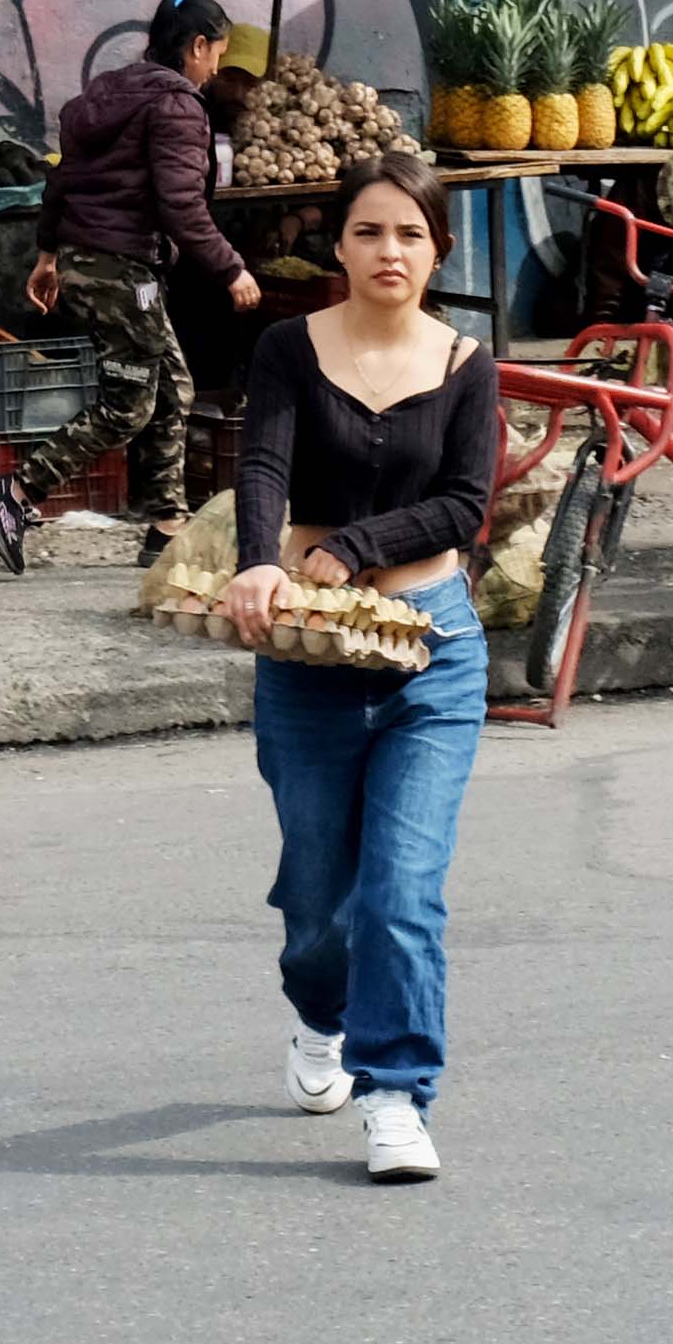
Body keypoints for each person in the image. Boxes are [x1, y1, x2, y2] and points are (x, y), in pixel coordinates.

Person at [217, 152, 505, 1187]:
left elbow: (465, 504)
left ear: (438, 251)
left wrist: (353, 545)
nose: (391, 251)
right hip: (310, 655)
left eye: (411, 234)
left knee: (401, 890)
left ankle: (396, 1096)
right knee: (318, 903)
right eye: (370, 231)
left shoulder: (466, 362)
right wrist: (261, 561)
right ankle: (319, 1014)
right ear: (336, 245)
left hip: (433, 650)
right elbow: (264, 463)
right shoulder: (289, 347)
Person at [28, 0, 257, 558]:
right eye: (218, 54)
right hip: (122, 268)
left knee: (174, 389)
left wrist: (49, 254)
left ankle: (167, 525)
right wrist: (231, 269)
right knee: (128, 405)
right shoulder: (177, 106)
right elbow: (181, 205)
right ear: (197, 46)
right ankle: (17, 490)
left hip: (93, 261)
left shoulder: (108, 93)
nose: (216, 69)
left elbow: (62, 179)